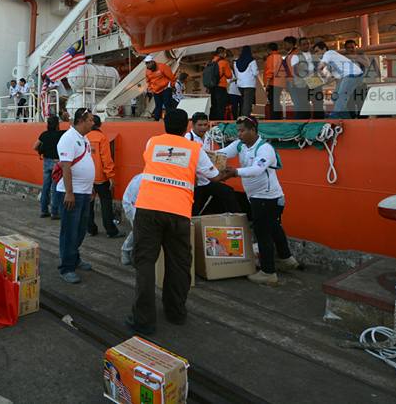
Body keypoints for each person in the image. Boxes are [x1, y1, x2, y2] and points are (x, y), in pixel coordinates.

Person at [126, 109, 232, 334]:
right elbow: (213, 177)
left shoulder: (152, 143)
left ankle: (143, 320)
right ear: (187, 126)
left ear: (165, 124)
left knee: (144, 263)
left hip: (148, 209)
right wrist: (231, 172)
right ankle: (175, 313)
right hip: (178, 212)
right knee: (179, 263)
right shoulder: (196, 149)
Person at [216, 116, 298, 286]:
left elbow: (256, 170)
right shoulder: (241, 145)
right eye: (237, 131)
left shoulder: (265, 149)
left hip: (267, 198)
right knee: (274, 228)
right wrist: (204, 155)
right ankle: (286, 259)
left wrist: (234, 172)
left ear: (253, 130)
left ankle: (268, 272)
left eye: (242, 131)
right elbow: (222, 153)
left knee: (263, 233)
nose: (239, 135)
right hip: (258, 197)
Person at [57, 107, 97, 284]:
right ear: (81, 120)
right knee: (70, 231)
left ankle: (74, 257)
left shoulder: (84, 138)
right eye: (90, 120)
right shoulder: (68, 138)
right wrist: (69, 193)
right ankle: (66, 267)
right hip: (72, 193)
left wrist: (91, 188)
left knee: (80, 230)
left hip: (84, 192)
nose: (93, 122)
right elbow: (66, 167)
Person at [187, 112, 240, 215]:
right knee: (194, 210)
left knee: (227, 192)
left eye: (205, 125)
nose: (203, 128)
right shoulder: (188, 139)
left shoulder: (207, 136)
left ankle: (237, 219)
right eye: (200, 125)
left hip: (208, 179)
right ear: (192, 125)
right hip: (196, 182)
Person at [86, 115, 124, 238]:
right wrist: (110, 176)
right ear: (100, 125)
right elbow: (106, 159)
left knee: (89, 204)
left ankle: (90, 229)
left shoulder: (83, 137)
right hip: (101, 177)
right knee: (106, 204)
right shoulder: (102, 138)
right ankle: (110, 230)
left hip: (87, 177)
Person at [312, 41, 364, 119]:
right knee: (334, 97)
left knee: (340, 96)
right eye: (315, 52)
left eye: (317, 51)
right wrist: (313, 83)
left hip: (353, 74)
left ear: (324, 49)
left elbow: (320, 67)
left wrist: (313, 77)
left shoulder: (329, 53)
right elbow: (329, 79)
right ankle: (346, 116)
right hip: (350, 76)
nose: (316, 54)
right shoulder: (330, 63)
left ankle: (335, 116)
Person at [33, 114, 65, 218]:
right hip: (57, 162)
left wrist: (42, 151)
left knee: (46, 186)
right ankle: (54, 212)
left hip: (47, 162)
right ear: (57, 124)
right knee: (55, 187)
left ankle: (43, 210)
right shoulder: (61, 134)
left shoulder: (44, 134)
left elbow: (35, 147)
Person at [278, 36, 309, 119]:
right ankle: (302, 121)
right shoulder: (291, 55)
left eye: (285, 44)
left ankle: (299, 122)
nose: (284, 46)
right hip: (295, 82)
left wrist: (293, 82)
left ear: (291, 44)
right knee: (300, 104)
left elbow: (300, 69)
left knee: (299, 104)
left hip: (296, 83)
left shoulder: (295, 54)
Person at [343, 39, 371, 118]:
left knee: (361, 105)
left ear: (356, 47)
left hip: (360, 84)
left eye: (352, 47)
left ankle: (363, 123)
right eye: (348, 48)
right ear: (346, 49)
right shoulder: (344, 58)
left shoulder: (361, 55)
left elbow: (368, 65)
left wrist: (356, 57)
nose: (350, 49)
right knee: (349, 105)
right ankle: (352, 121)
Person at [143, 55, 175, 121]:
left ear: (152, 62)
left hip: (166, 88)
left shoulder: (163, 67)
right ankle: (156, 118)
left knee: (167, 104)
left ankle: (170, 119)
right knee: (158, 105)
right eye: (146, 63)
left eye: (148, 63)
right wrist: (151, 88)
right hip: (156, 90)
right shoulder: (147, 71)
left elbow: (171, 77)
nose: (147, 65)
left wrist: (172, 86)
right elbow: (148, 81)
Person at [297, 38, 323, 118]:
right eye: (304, 44)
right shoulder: (296, 57)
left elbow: (320, 66)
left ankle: (319, 121)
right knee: (304, 104)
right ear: (299, 46)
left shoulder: (314, 55)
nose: (306, 46)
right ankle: (306, 122)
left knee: (318, 102)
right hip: (303, 81)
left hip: (314, 79)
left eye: (308, 44)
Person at [120, 174, 143, 266]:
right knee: (139, 230)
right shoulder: (140, 180)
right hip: (132, 205)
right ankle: (125, 250)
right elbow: (133, 201)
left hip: (143, 207)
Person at [208, 47, 233, 121]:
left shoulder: (212, 61)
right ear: (222, 53)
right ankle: (220, 121)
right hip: (221, 86)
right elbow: (229, 75)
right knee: (221, 105)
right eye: (225, 53)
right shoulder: (224, 62)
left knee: (214, 105)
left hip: (212, 86)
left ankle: (212, 121)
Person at [234, 46, 258, 117]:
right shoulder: (252, 60)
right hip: (249, 84)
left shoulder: (236, 62)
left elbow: (236, 74)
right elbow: (255, 73)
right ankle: (245, 118)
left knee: (243, 102)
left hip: (240, 84)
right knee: (247, 102)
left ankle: (242, 116)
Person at [263, 43, 282, 120]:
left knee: (273, 102)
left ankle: (274, 119)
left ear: (269, 49)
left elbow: (270, 71)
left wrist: (267, 84)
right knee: (277, 101)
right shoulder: (280, 57)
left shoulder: (271, 57)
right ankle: (278, 118)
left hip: (272, 82)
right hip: (280, 82)